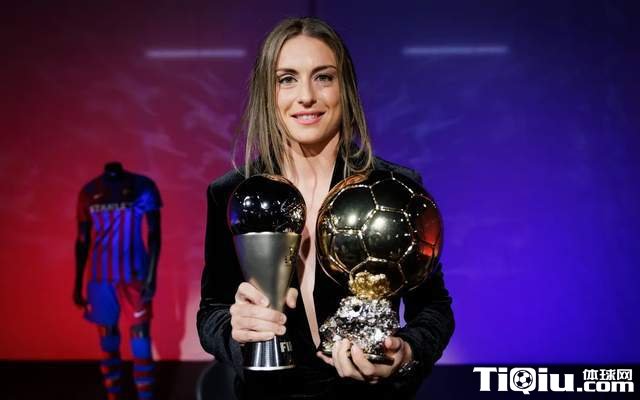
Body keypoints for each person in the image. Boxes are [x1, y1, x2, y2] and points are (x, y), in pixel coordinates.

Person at [197, 17, 454, 399]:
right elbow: (212, 311)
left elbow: (434, 309)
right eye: (287, 79)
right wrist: (237, 332)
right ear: (268, 92)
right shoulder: (233, 194)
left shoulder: (395, 188)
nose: (306, 96)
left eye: (323, 77)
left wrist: (406, 353)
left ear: (344, 88)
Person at [74, 162, 162, 400]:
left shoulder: (143, 186)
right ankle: (114, 395)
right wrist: (77, 283)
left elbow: (155, 234)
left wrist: (151, 277)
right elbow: (82, 240)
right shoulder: (89, 191)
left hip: (134, 275)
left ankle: (145, 396)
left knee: (140, 334)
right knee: (107, 336)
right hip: (100, 277)